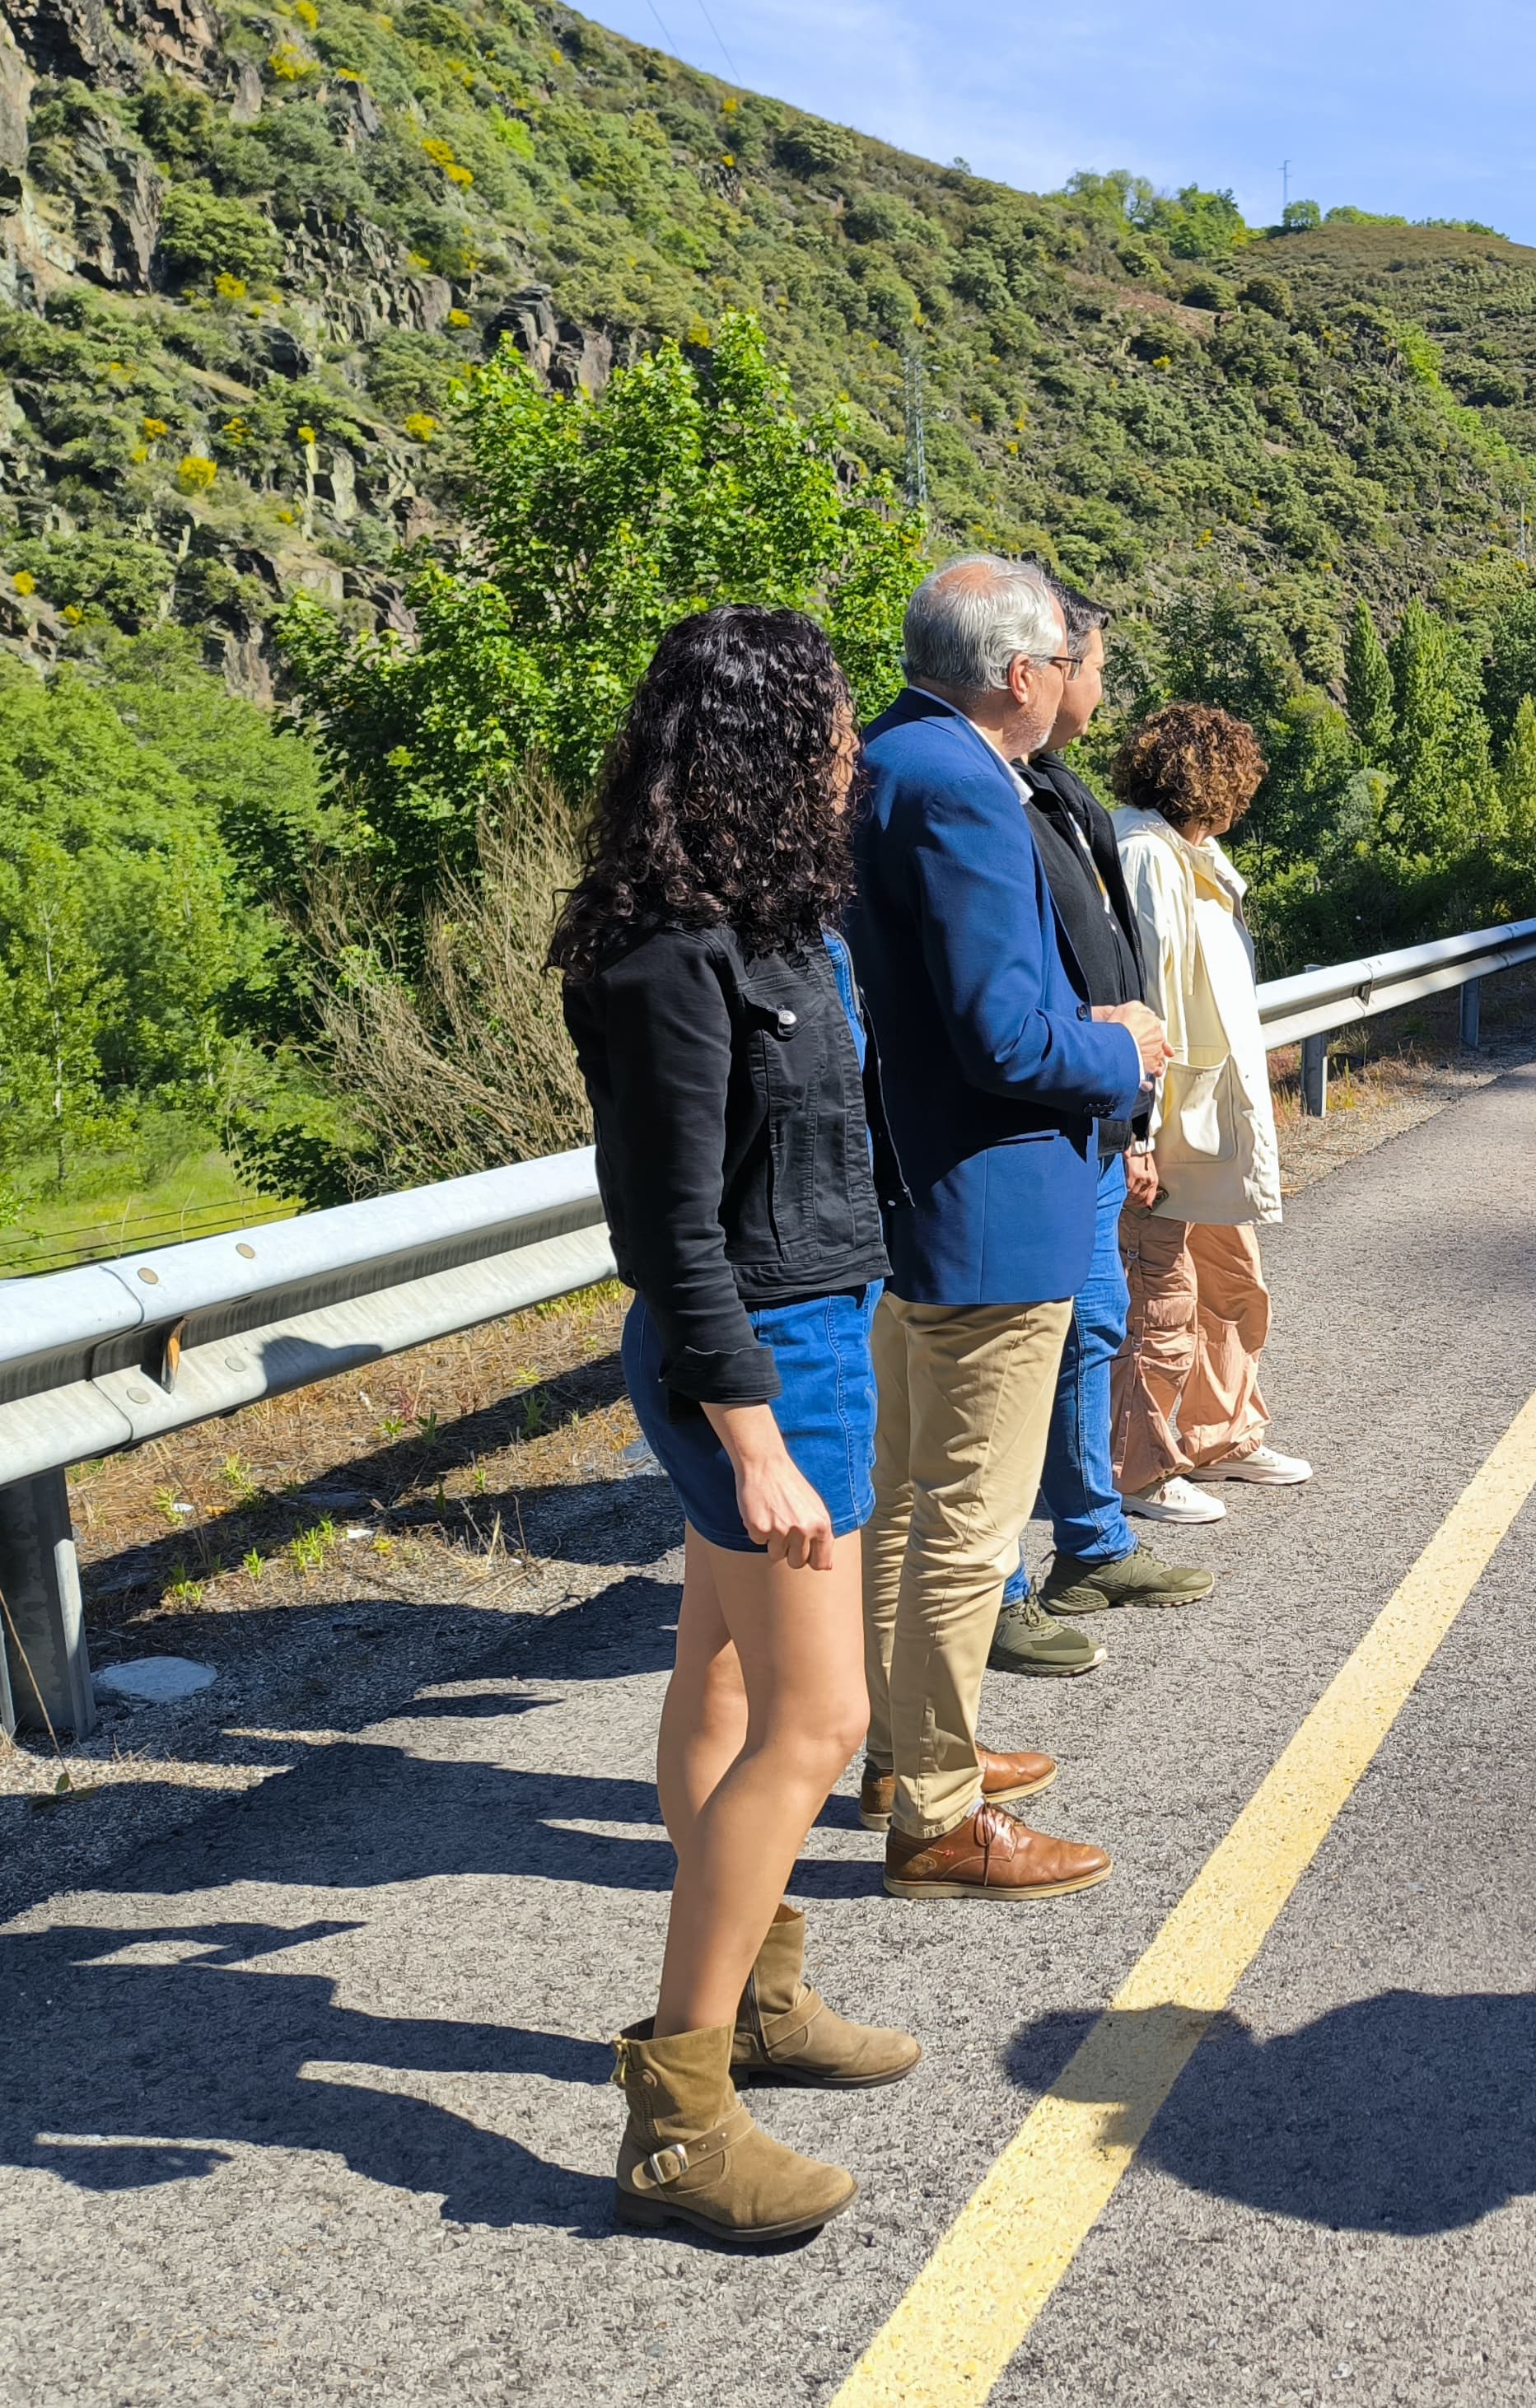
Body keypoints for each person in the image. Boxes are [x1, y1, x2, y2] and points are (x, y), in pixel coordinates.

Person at [556, 605, 916, 2243]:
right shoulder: (666, 954)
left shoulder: (775, 922)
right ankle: (682, 2117)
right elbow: (669, 1227)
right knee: (816, 1723)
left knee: (717, 1677)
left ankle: (761, 2000)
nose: (853, 756)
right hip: (755, 1359)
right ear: (771, 747)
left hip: (805, 1328)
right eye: (832, 729)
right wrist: (754, 1433)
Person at [848, 554, 1172, 1902]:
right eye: (1054, 658)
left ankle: (903, 1743)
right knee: (966, 1522)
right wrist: (1122, 1053)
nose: (1058, 679)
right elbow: (1000, 1030)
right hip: (996, 1196)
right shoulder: (969, 787)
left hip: (925, 1188)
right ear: (1015, 672)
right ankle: (934, 1807)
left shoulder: (887, 757)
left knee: (906, 1493)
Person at [991, 583, 1220, 1672]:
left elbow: (1103, 955)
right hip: (1021, 1126)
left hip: (1088, 1113)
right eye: (1094, 667)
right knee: (997, 1365)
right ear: (1039, 667)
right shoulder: (974, 793)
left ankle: (1089, 1540)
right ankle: (991, 1586)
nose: (1102, 687)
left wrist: (1129, 1118)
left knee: (1088, 1329)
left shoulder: (1053, 791)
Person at [1106, 702, 1311, 1524]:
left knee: (1231, 1283)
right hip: (1169, 1124)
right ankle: (1142, 1468)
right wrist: (1139, 1129)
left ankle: (1220, 1436)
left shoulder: (1195, 856)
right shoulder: (1144, 858)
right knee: (1159, 1297)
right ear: (1214, 779)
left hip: (1213, 1122)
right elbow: (1148, 999)